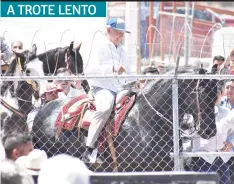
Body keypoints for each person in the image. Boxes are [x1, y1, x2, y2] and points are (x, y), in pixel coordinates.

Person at [82, 17, 131, 163]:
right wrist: (112, 69)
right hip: (102, 87)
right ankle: (89, 148)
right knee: (105, 107)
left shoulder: (123, 50)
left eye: (122, 34)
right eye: (118, 32)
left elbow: (128, 71)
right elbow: (89, 71)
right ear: (108, 30)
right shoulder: (98, 46)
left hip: (121, 87)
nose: (121, 36)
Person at [188, 86, 234, 184]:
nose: (214, 96)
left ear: (221, 94)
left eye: (217, 93)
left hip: (222, 160)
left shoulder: (226, 113)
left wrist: (232, 144)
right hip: (203, 159)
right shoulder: (197, 113)